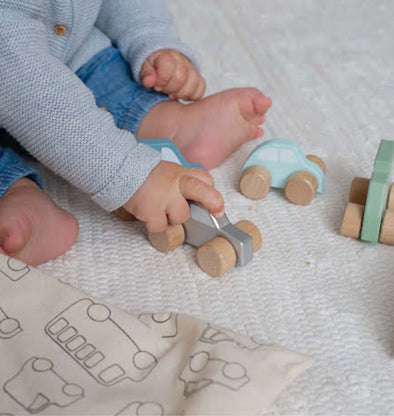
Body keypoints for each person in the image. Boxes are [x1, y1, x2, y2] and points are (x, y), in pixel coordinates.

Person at [0, 0, 271, 266]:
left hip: (68, 53)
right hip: (15, 68)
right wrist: (128, 172)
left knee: (104, 71)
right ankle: (13, 189)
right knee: (37, 86)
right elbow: (15, 69)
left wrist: (151, 38)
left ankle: (167, 123)